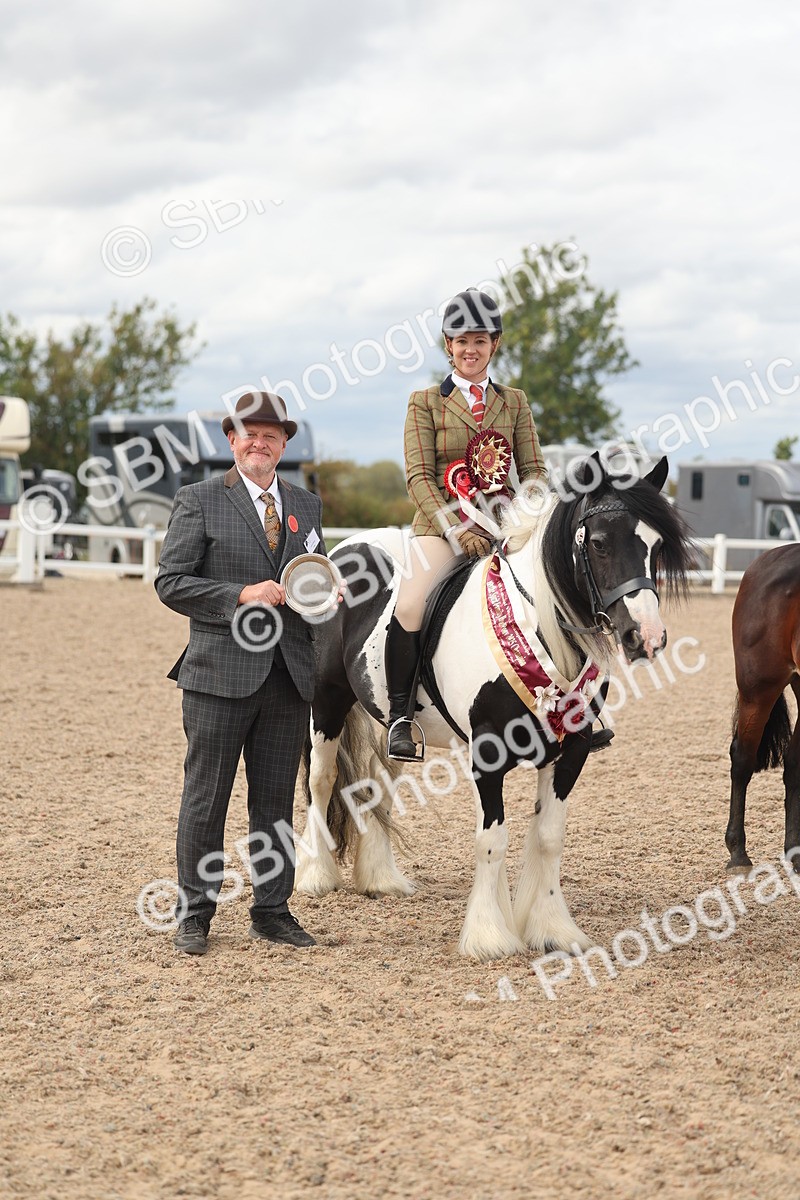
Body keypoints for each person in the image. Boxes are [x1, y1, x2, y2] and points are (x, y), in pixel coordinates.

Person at [156, 391, 327, 956]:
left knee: (275, 802)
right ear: (231, 440)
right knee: (206, 798)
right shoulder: (198, 499)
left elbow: (309, 579)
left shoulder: (307, 503)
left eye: (271, 435)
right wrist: (240, 595)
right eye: (249, 433)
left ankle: (272, 910)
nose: (260, 442)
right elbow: (171, 582)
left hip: (288, 677)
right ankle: (195, 913)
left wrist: (324, 595)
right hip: (218, 675)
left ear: (284, 443)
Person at [386, 287, 547, 760]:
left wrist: (522, 516)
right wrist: (458, 527)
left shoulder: (514, 402)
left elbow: (534, 470)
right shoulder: (424, 403)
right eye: (461, 341)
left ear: (494, 345)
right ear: (448, 346)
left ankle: (567, 708)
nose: (470, 349)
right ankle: (400, 716)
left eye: (480, 340)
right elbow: (417, 475)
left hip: (504, 526)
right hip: (441, 530)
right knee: (412, 605)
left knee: (551, 592)